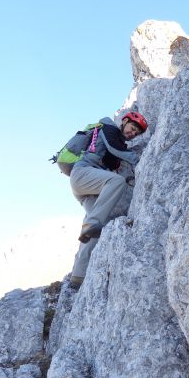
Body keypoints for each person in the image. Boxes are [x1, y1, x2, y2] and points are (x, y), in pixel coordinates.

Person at [69, 111, 148, 289]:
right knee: (116, 182)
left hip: (88, 188)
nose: (133, 133)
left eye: (137, 132)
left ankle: (78, 276)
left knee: (97, 229)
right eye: (133, 127)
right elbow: (113, 148)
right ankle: (92, 223)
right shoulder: (109, 128)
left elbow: (113, 159)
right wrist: (143, 160)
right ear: (125, 121)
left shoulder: (119, 143)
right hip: (82, 173)